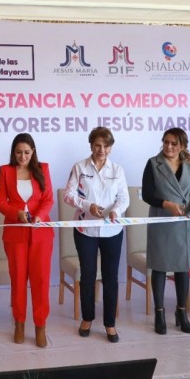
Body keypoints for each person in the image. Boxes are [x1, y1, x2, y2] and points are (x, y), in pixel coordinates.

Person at [64, 126, 129, 343]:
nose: (102, 150)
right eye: (98, 145)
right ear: (91, 145)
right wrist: (87, 205)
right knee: (88, 275)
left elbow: (124, 198)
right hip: (85, 230)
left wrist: (116, 211)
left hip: (112, 230)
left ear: (111, 147)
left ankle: (109, 323)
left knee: (110, 277)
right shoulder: (79, 167)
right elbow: (68, 195)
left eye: (106, 146)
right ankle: (87, 318)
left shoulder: (117, 170)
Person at [0, 133, 54, 348]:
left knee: (41, 280)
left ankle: (40, 325)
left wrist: (40, 216)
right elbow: (0, 202)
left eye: (27, 152)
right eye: (18, 152)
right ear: (13, 152)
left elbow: (48, 199)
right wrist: (16, 213)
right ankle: (19, 323)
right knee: (18, 279)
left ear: (33, 152)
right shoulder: (5, 171)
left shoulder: (43, 169)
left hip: (41, 234)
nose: (22, 157)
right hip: (15, 234)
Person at [141, 128, 190, 335]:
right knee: (159, 267)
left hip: (184, 223)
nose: (168, 146)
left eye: (174, 143)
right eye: (166, 142)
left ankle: (181, 312)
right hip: (162, 220)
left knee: (182, 268)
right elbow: (147, 194)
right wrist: (166, 204)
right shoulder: (153, 163)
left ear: (182, 146)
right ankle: (159, 313)